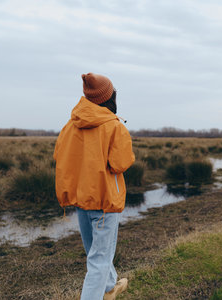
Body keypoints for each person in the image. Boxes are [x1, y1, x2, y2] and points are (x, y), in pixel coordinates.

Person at [53, 73, 135, 300]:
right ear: (109, 97)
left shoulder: (70, 125)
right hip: (104, 201)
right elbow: (121, 163)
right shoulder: (114, 126)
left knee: (95, 252)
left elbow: (60, 157)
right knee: (99, 259)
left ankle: (109, 288)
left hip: (82, 200)